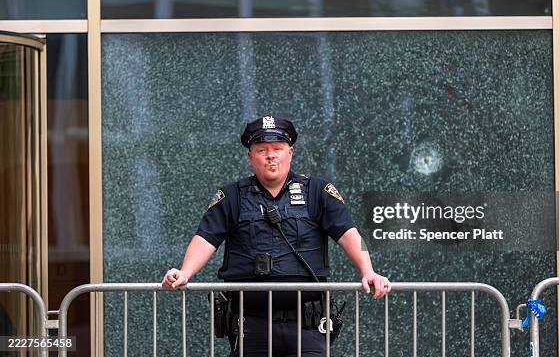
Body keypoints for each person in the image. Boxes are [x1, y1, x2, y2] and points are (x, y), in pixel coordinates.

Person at [162, 115, 391, 356]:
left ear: (290, 153)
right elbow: (206, 238)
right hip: (251, 326)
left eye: (278, 149)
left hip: (308, 326)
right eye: (262, 150)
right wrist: (185, 271)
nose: (271, 155)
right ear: (250, 157)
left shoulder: (316, 191)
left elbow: (349, 233)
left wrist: (368, 270)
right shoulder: (232, 196)